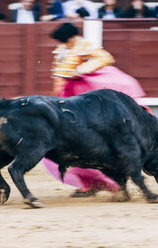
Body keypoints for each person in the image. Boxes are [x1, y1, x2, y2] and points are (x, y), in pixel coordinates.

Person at [44, 23, 148, 197]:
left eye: (65, 41)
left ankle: (107, 181)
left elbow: (105, 58)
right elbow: (59, 78)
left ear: (72, 37)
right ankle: (92, 182)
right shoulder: (62, 48)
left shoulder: (83, 45)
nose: (63, 44)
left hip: (82, 99)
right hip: (67, 98)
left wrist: (81, 70)